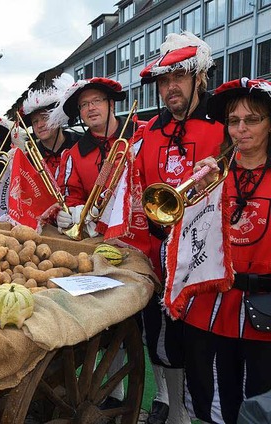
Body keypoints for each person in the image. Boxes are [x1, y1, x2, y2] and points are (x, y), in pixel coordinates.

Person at [136, 31, 222, 424]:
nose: (170, 88)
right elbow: (138, 191)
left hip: (206, 261)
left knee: (204, 350)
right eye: (164, 80)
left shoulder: (223, 127)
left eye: (179, 78)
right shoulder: (150, 131)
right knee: (163, 343)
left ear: (198, 78)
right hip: (160, 258)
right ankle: (176, 414)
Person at [181, 78, 271, 424]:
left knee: (259, 405)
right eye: (234, 121)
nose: (241, 129)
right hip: (214, 306)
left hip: (264, 310)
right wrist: (199, 197)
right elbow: (190, 242)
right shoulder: (212, 174)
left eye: (252, 120)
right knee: (217, 402)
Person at [52, 77, 145, 240]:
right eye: (84, 105)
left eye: (96, 101)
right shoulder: (73, 155)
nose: (91, 108)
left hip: (146, 230)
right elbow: (72, 197)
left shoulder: (144, 133)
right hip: (102, 238)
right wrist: (71, 212)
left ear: (111, 104)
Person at [19, 73, 77, 179]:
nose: (40, 125)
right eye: (35, 122)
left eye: (45, 118)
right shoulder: (30, 158)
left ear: (57, 118)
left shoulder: (79, 145)